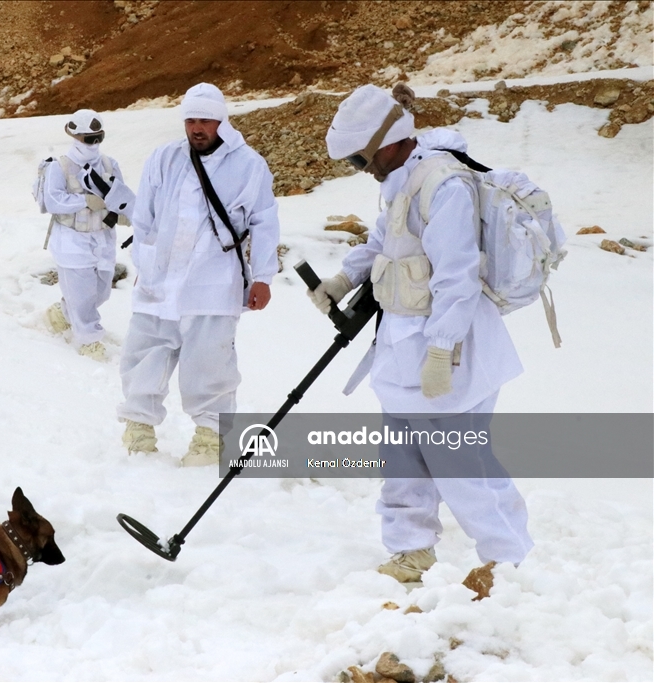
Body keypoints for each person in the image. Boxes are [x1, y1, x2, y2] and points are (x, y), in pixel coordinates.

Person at [311, 84, 533, 583]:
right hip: (401, 346)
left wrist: (441, 349)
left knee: (461, 462)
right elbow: (383, 242)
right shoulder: (401, 182)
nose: (362, 169)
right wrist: (344, 279)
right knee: (403, 457)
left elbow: (457, 277)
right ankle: (411, 549)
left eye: (360, 159)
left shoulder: (444, 185)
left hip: (451, 351)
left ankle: (510, 560)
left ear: (388, 142)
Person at [117, 83, 280, 466]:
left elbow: (265, 222)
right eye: (191, 120)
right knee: (144, 353)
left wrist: (263, 276)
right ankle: (139, 427)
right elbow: (144, 218)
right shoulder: (165, 158)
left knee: (210, 361)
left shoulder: (249, 165)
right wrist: (145, 264)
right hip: (160, 280)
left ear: (222, 121)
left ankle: (209, 437)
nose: (197, 128)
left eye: (205, 120)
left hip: (214, 282)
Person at [42, 109, 135, 360]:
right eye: (88, 139)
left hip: (102, 239)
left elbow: (121, 195)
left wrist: (128, 214)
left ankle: (62, 313)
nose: (93, 144)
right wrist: (84, 201)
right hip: (72, 241)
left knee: (101, 292)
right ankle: (89, 340)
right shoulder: (60, 166)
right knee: (82, 296)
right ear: (75, 136)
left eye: (98, 138)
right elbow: (53, 200)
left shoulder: (109, 164)